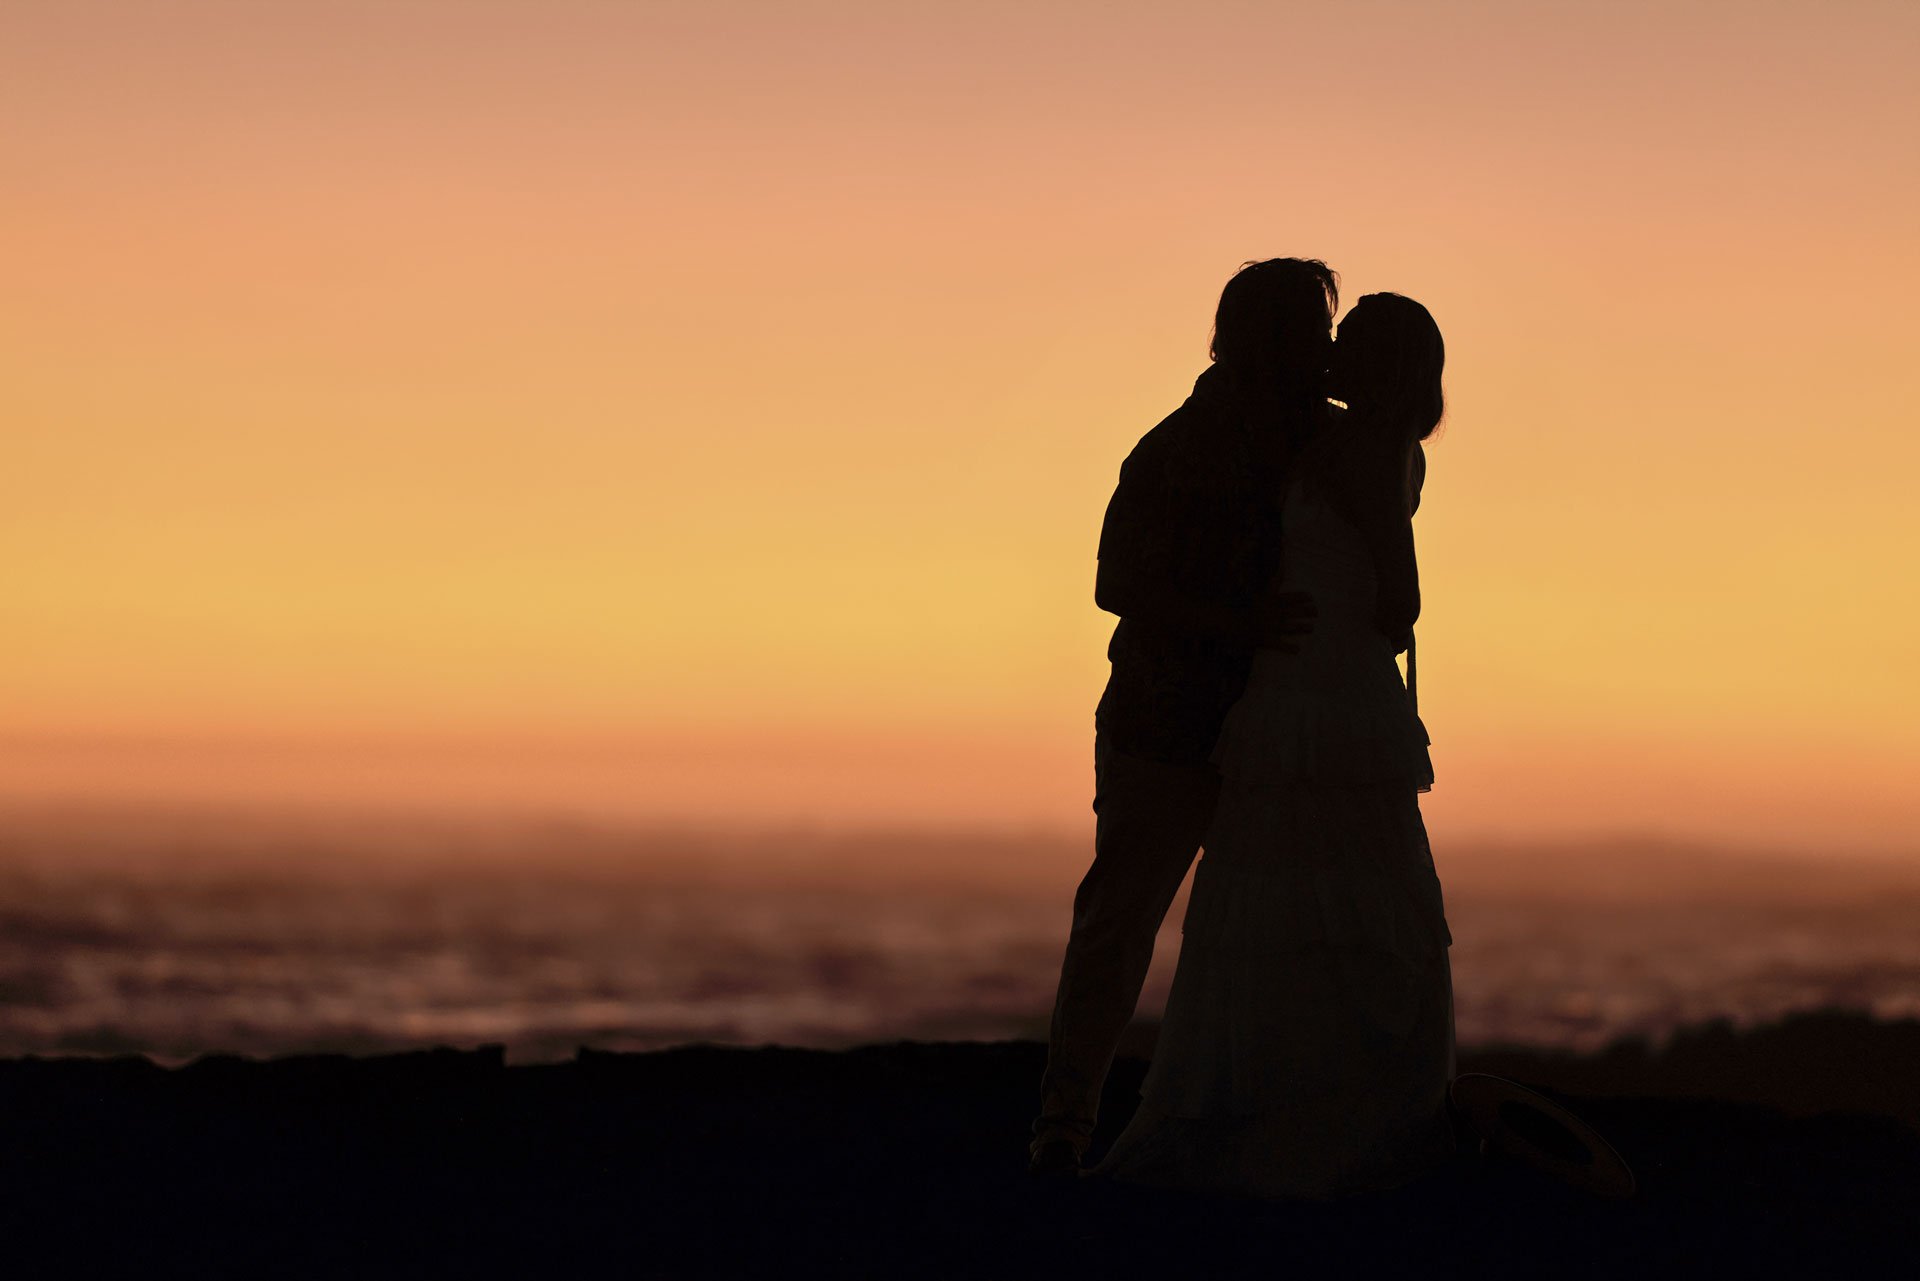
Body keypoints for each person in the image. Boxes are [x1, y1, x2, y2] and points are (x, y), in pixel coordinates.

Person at [1094, 292, 1454, 1199]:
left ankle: (1305, 1100)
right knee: (1309, 882)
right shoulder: (1330, 437)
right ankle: (1313, 1091)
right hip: (1301, 680)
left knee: (1308, 880)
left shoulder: (1358, 446)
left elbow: (1401, 598)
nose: (1333, 347)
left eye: (1352, 336)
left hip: (1319, 682)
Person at [1028, 259, 1334, 1176]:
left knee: (1267, 939)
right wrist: (1240, 626)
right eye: (1312, 329)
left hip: (1274, 736)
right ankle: (1065, 1126)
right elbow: (1114, 584)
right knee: (1120, 927)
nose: (1325, 345)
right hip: (1166, 728)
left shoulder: (1319, 442)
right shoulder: (1178, 446)